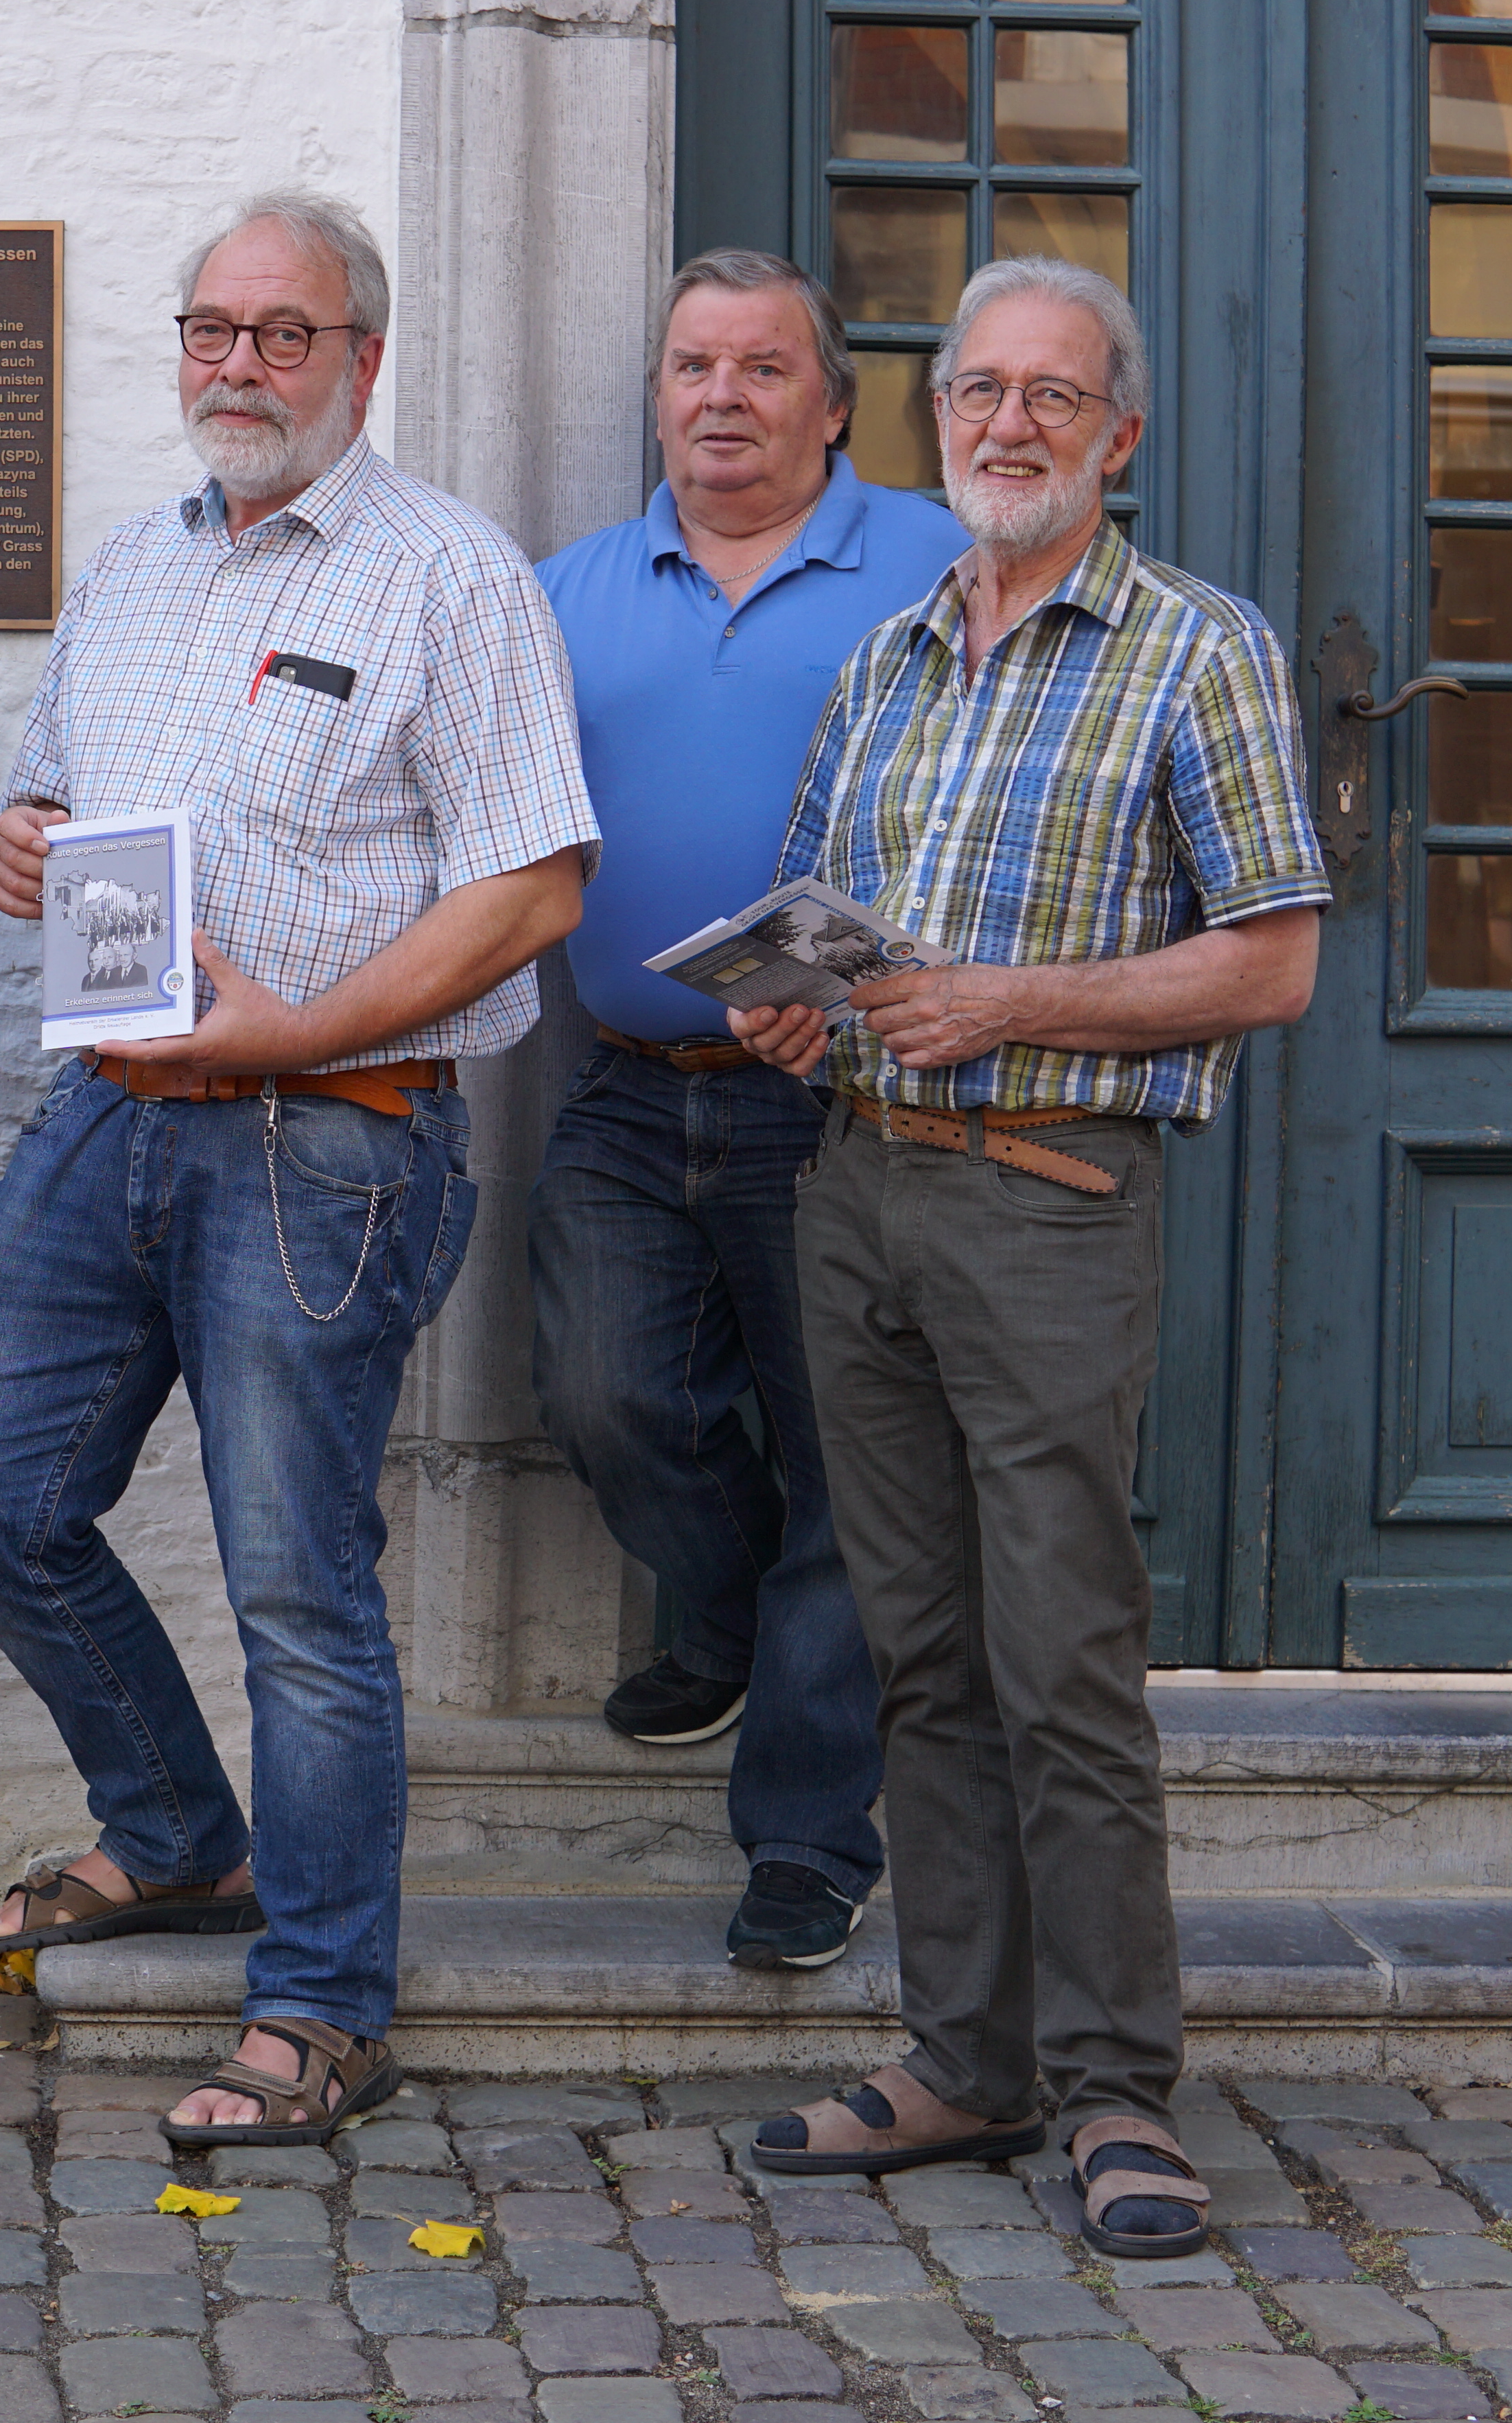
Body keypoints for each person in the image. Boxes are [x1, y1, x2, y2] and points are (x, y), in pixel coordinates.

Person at [0, 191, 599, 2149]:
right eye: (211, 326)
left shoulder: (446, 579)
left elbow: (537, 883)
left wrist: (302, 1031)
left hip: (325, 1141)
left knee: (300, 1592)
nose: (237, 364)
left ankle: (321, 2007)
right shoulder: (134, 568)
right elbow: (47, 798)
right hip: (108, 1118)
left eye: (283, 334)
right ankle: (176, 1832)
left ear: (362, 360)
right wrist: (32, 842)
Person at [729, 257, 1325, 2256]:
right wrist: (788, 1004)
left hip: (1052, 1196)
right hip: (862, 1192)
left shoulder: (1194, 651)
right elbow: (823, 910)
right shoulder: (890, 655)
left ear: (1116, 435)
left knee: (1061, 1660)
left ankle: (1116, 2093)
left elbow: (1275, 956)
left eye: (1049, 399)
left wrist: (1012, 1005)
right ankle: (963, 2058)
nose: (1004, 425)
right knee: (921, 1654)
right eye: (976, 391)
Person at [528, 250, 967, 1973]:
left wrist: (870, 985)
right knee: (602, 1386)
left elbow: (995, 804)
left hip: (842, 1097)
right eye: (692, 365)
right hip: (628, 1084)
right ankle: (710, 1608)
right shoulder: (563, 586)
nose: (721, 395)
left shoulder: (935, 562)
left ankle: (804, 1833)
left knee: (850, 1467)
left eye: (762, 367)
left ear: (834, 400)